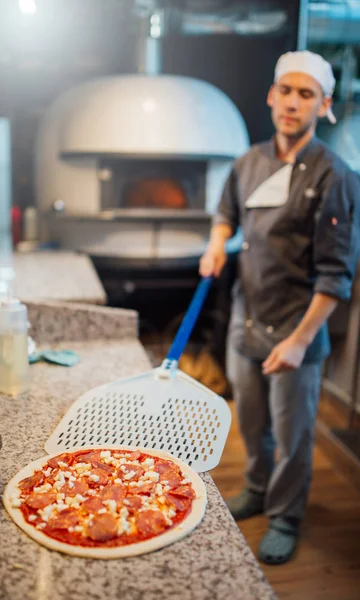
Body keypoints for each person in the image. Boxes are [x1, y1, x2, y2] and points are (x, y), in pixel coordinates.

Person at [200, 50, 360, 565]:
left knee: (292, 434)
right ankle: (257, 488)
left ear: (324, 105)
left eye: (306, 94)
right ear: (272, 96)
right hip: (246, 321)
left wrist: (298, 342)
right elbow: (226, 213)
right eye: (286, 91)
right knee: (250, 422)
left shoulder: (335, 176)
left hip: (297, 330)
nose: (293, 103)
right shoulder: (248, 161)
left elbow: (336, 276)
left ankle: (287, 516)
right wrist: (215, 243)